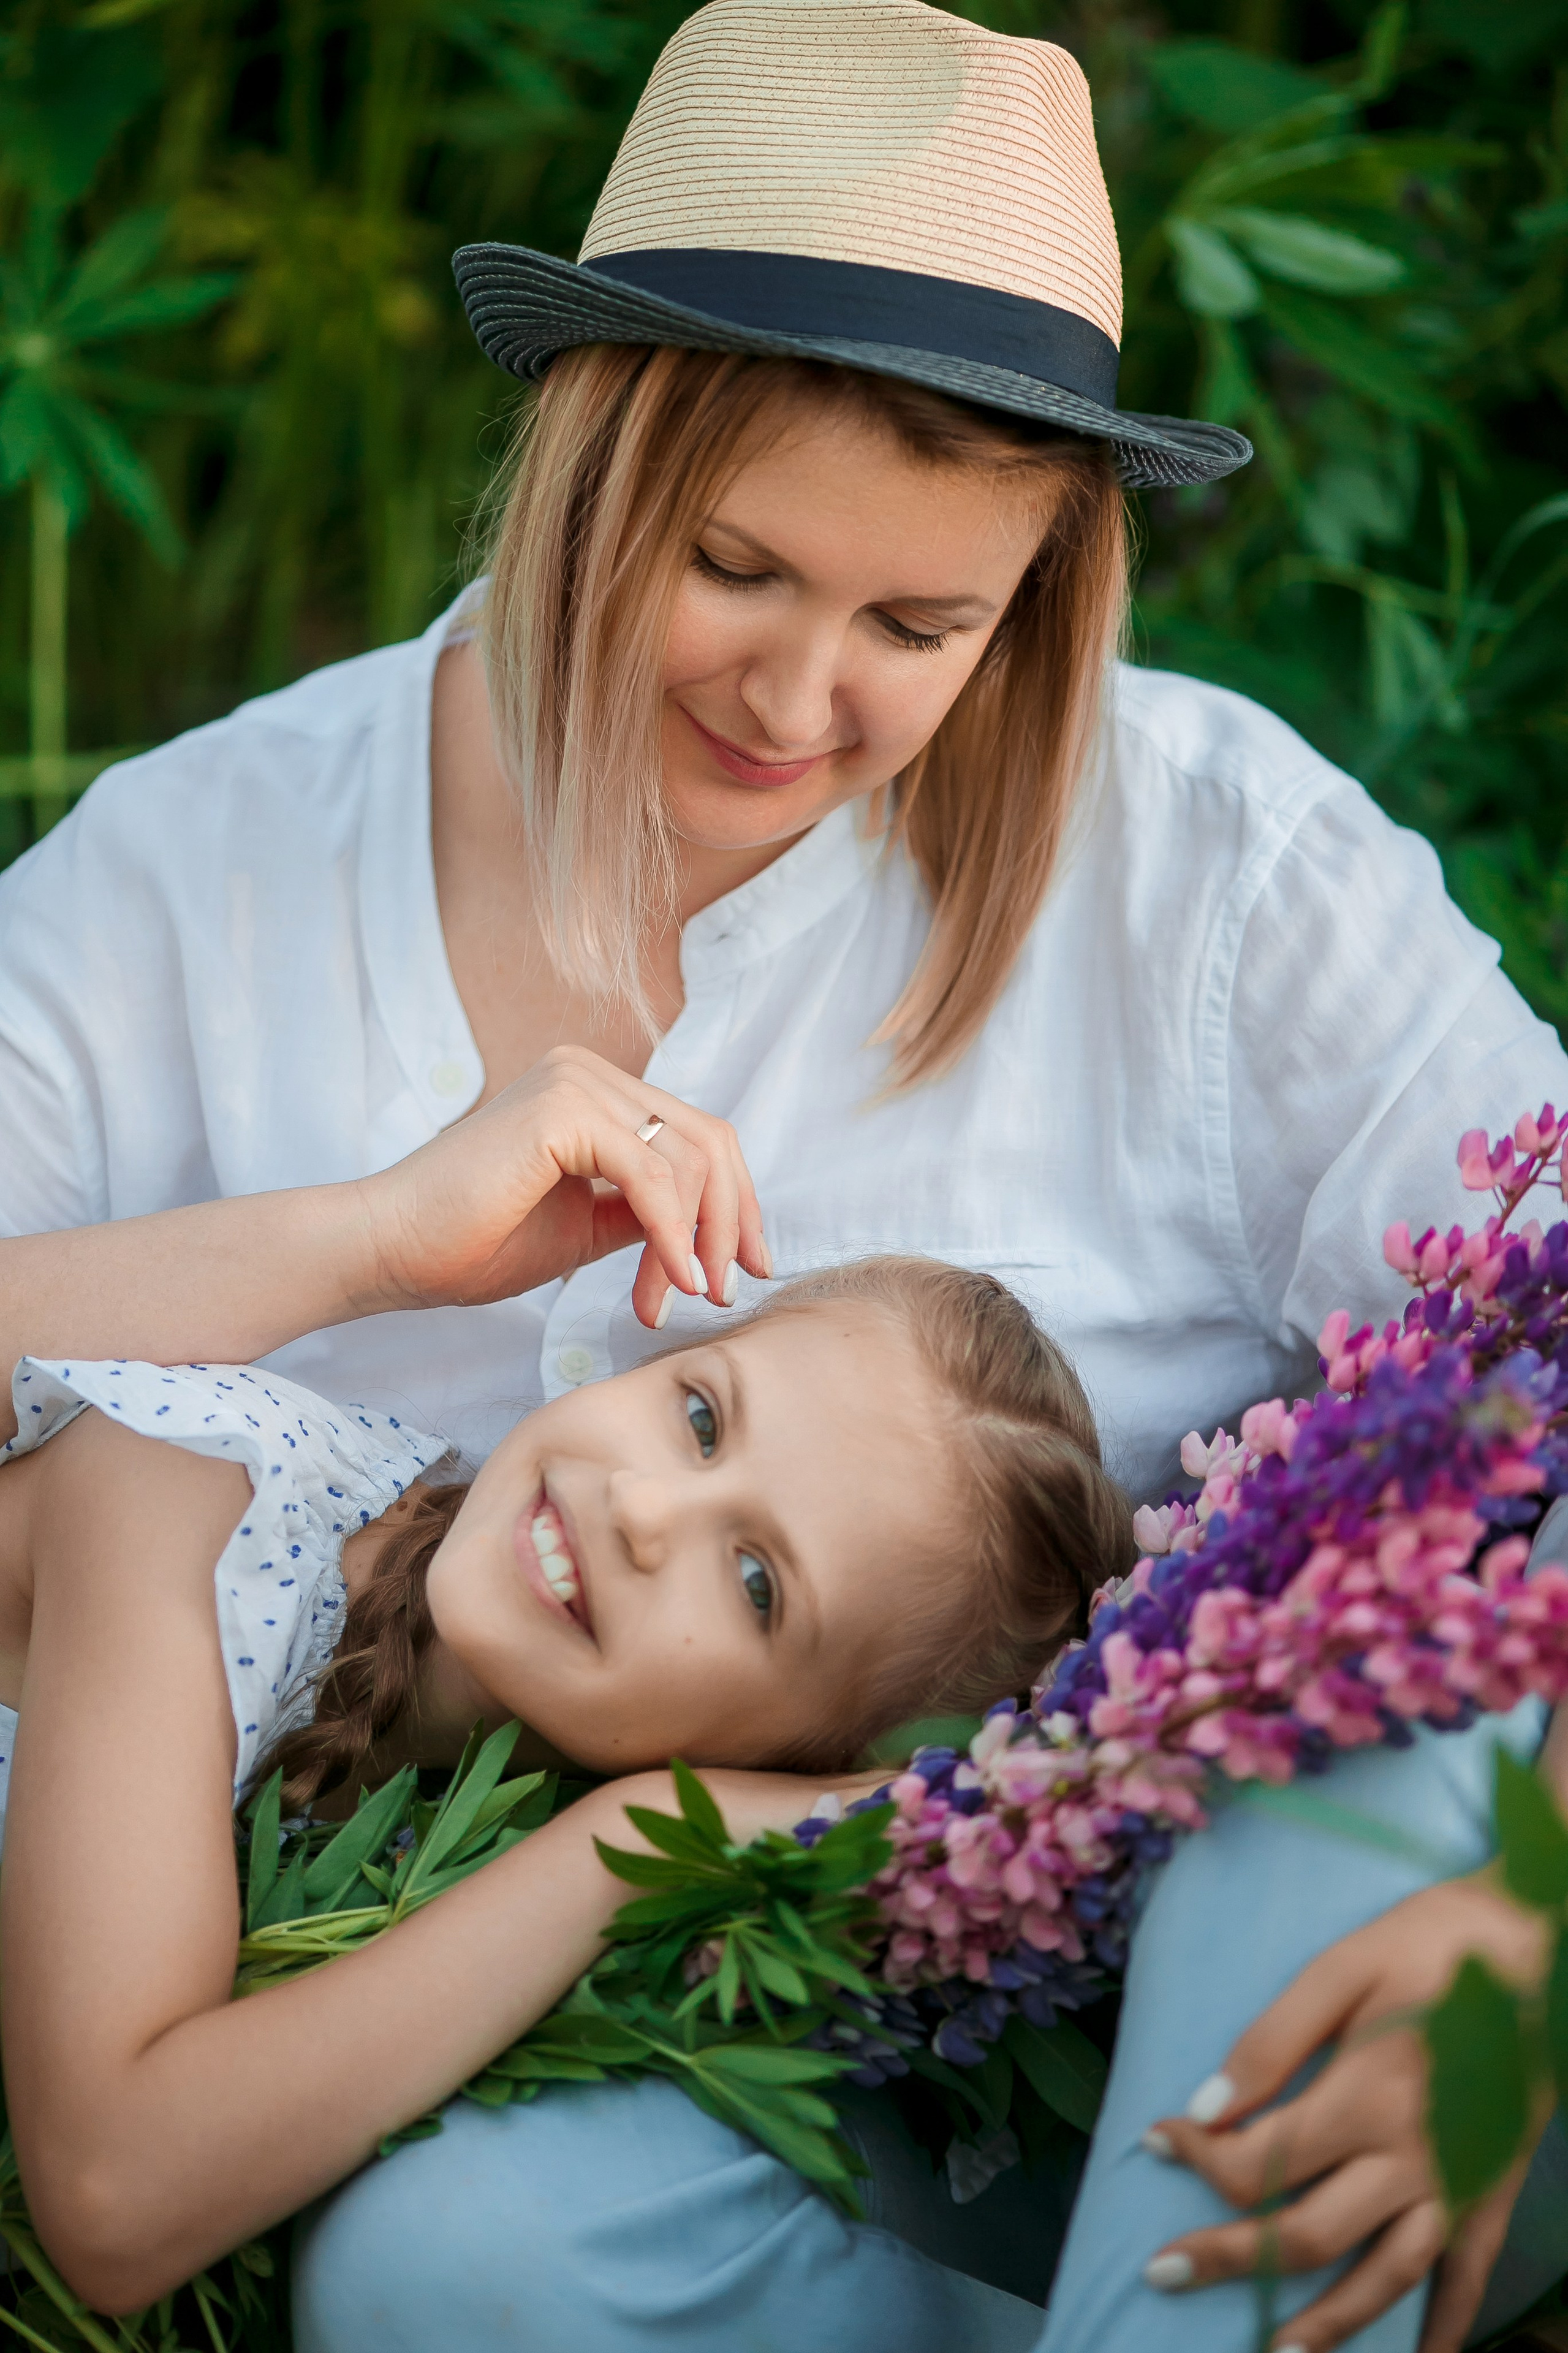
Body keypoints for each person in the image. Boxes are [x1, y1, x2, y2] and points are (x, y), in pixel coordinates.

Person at [1, 0, 1566, 2342]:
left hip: (1256, 1979)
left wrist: (1547, 1888)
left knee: (1352, 1756)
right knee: (453, 2267)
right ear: (584, 449)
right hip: (709, 2082)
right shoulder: (197, 872)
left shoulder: (1221, 873)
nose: (799, 697)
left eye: (923, 625)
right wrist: (357, 1238)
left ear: (1034, 598)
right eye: (736, 566)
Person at [0, 1048, 1129, 2316]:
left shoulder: (494, 1835)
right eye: (700, 1418)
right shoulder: (198, 1513)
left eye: (756, 1583)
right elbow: (113, 2189)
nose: (647, 1511)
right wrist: (618, 1847)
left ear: (773, 1771)